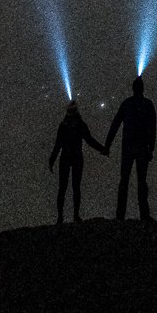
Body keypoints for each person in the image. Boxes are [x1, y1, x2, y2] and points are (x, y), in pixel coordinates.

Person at [103, 72, 157, 222]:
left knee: (124, 181)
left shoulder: (126, 104)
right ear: (143, 89)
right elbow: (152, 128)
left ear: (133, 89)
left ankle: (120, 215)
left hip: (127, 147)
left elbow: (115, 125)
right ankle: (144, 215)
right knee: (141, 181)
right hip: (141, 148)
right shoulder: (148, 105)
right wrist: (150, 148)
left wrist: (107, 145)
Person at [48, 95, 103, 226]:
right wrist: (103, 149)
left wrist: (52, 160)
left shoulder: (63, 126)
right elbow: (89, 140)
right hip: (76, 157)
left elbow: (58, 144)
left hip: (66, 157)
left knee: (63, 188)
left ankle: (61, 218)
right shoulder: (80, 125)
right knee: (74, 187)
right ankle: (75, 216)